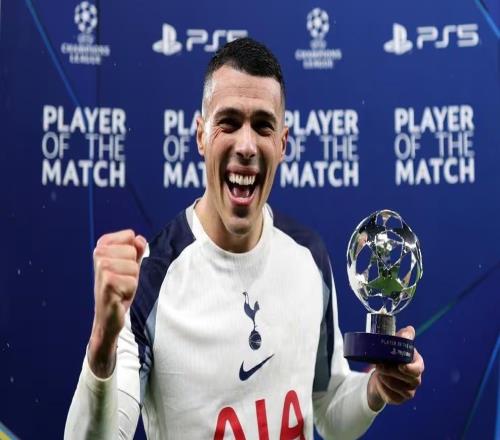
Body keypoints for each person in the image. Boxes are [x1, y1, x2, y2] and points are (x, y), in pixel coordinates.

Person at [65, 38, 424, 439]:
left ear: (282, 143)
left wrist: (375, 389)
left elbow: (328, 409)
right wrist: (103, 344)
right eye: (229, 122)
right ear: (201, 136)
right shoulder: (151, 276)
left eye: (263, 126)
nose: (247, 146)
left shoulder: (308, 255)